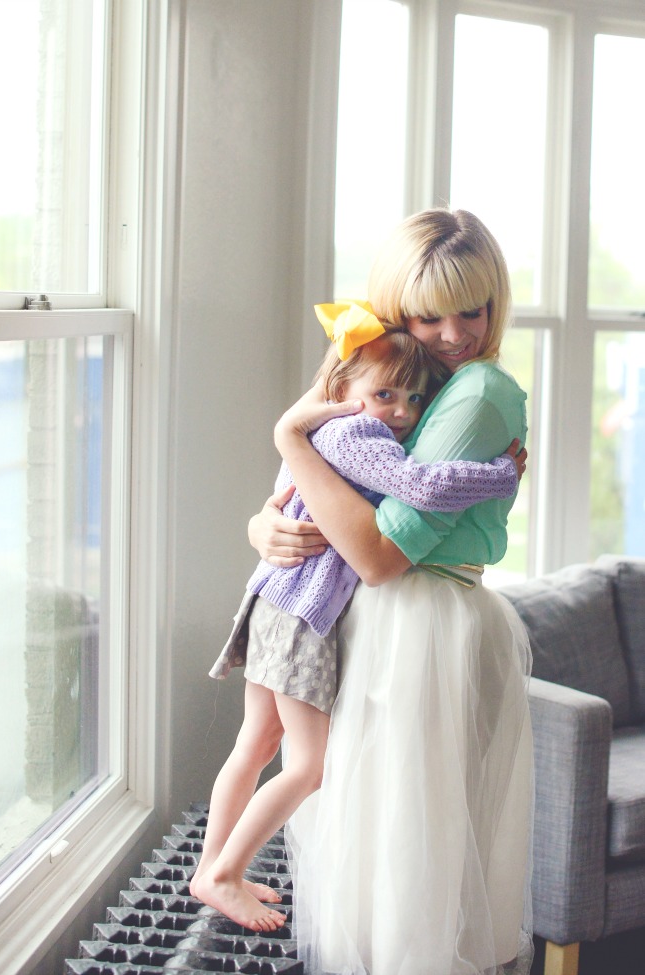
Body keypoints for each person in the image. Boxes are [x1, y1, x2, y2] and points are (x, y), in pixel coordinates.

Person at [249, 208, 534, 975]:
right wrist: (266, 523)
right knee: (373, 851)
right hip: (378, 625)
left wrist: (289, 437)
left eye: (472, 310)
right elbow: (317, 485)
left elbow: (377, 555)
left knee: (411, 861)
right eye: (428, 314)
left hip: (427, 629)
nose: (453, 333)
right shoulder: (399, 375)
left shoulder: (476, 393)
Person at [190, 305, 526, 935]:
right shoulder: (354, 434)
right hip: (301, 616)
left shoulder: (322, 426)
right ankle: (224, 874)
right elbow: (420, 487)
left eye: (415, 399)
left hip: (274, 602)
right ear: (343, 389)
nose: (401, 412)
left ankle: (212, 867)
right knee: (309, 766)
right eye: (386, 395)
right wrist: (500, 475)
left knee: (255, 744)